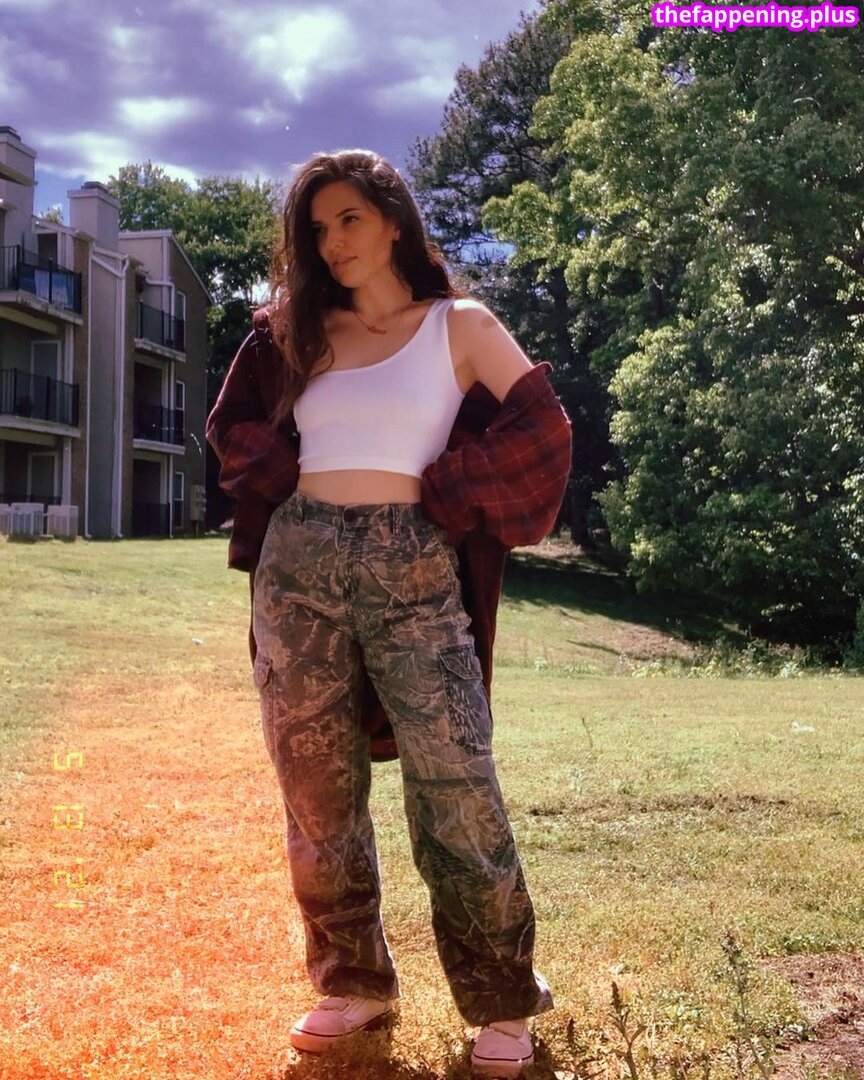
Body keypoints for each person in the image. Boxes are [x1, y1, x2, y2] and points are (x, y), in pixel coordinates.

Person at [206, 148, 572, 1078]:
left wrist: (450, 490)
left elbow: (545, 429)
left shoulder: (460, 326)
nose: (332, 242)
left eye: (349, 220)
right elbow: (230, 425)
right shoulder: (295, 335)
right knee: (315, 789)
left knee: (456, 779)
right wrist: (282, 478)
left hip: (414, 565)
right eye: (318, 228)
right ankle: (352, 983)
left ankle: (501, 999)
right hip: (299, 568)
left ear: (394, 221)